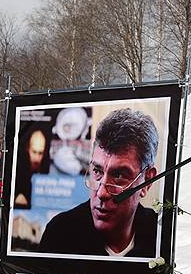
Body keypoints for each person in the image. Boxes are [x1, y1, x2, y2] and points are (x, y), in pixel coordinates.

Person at [38, 108, 159, 258]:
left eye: (119, 175)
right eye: (97, 171)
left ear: (147, 181)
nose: (101, 193)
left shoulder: (161, 234)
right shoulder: (60, 234)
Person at [14, 128, 50, 208]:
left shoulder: (47, 172)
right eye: (34, 152)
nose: (37, 158)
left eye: (40, 153)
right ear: (28, 149)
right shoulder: (18, 173)